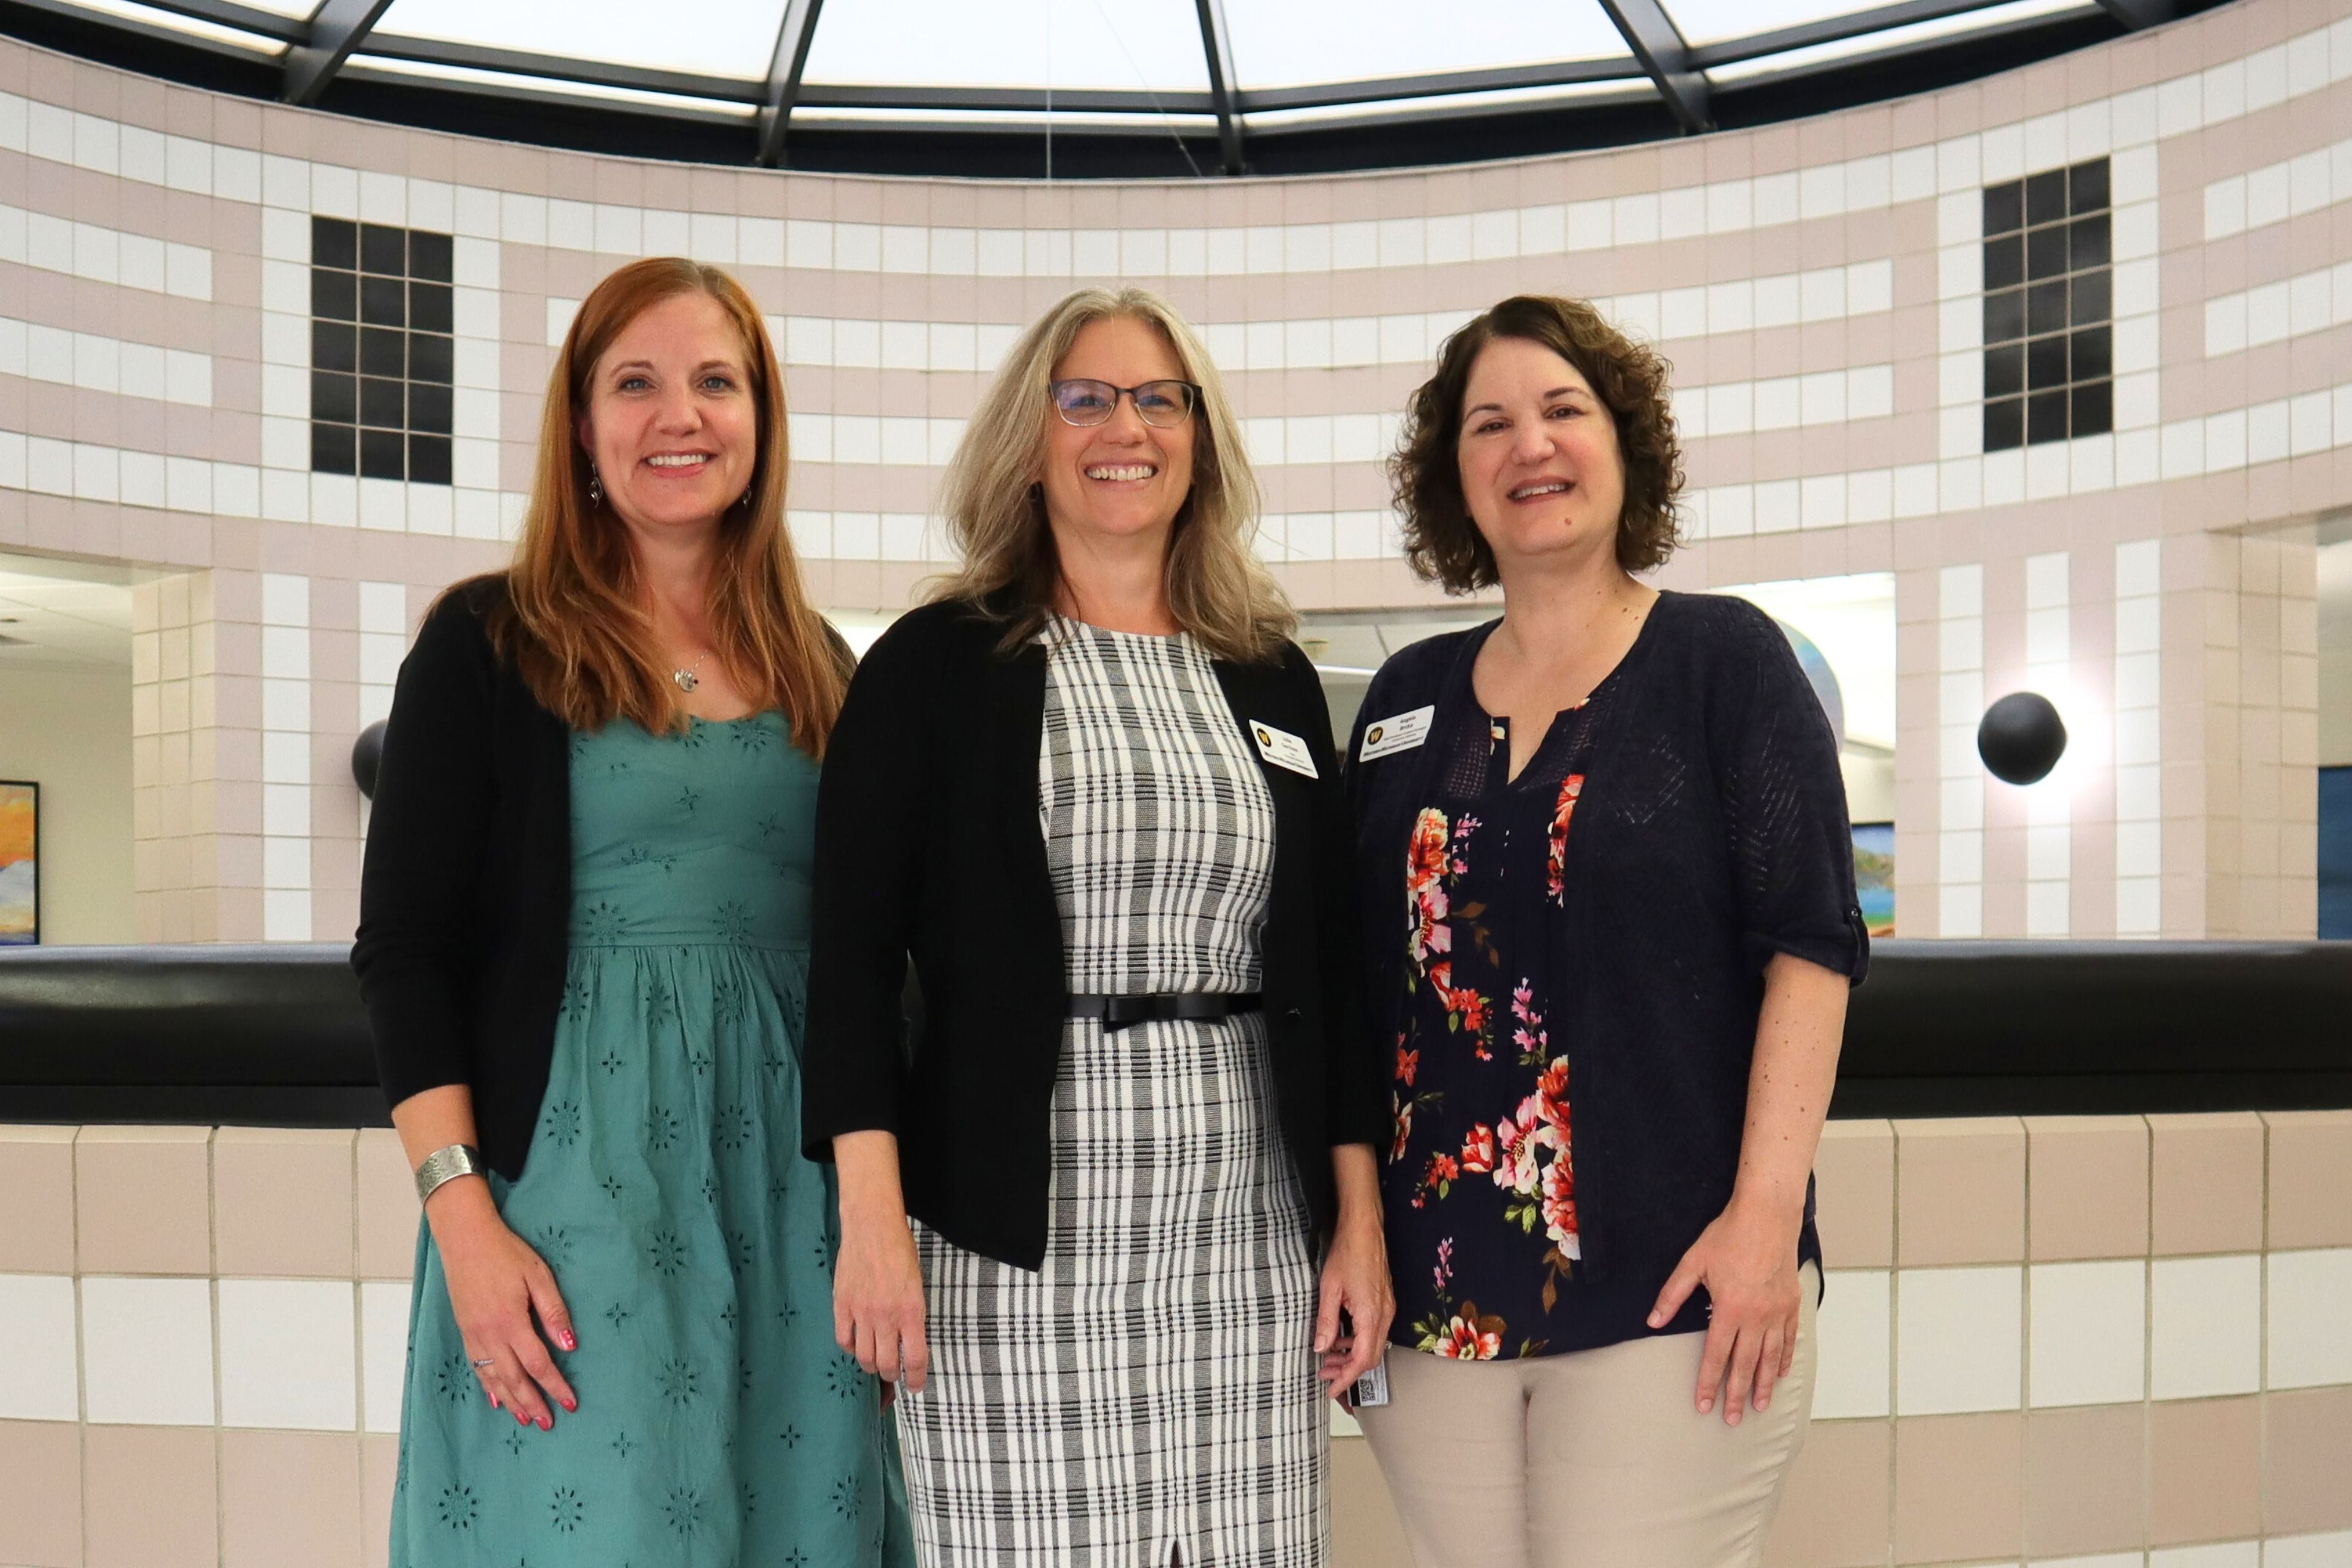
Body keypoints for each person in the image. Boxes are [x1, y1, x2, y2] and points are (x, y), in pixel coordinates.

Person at [801, 285, 1392, 1568]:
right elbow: (848, 960)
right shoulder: (935, 664)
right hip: (1013, 1228)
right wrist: (870, 1219)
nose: (1125, 427)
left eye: (1157, 398)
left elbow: (1332, 974)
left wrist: (1356, 1219)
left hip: (1241, 1226)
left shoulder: (1269, 671)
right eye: (1086, 397)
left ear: (1198, 436)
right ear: (1032, 437)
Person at [353, 256, 911, 1566]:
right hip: (569, 1195)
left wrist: (880, 1218)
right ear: (582, 426)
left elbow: (871, 960)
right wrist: (464, 1220)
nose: (682, 415)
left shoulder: (820, 662)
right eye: (638, 382)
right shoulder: (487, 642)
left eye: (717, 381)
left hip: (795, 1198)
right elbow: (404, 953)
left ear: (761, 422)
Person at [1346, 295, 1868, 1568]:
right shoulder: (1406, 699)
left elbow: (1811, 942)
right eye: (1490, 423)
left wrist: (1764, 1219)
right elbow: (1355, 986)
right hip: (1433, 1296)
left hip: (1675, 1275)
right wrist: (1355, 1220)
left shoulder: (1724, 662)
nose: (1531, 445)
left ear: (1624, 443)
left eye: (1562, 410)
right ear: (1452, 477)